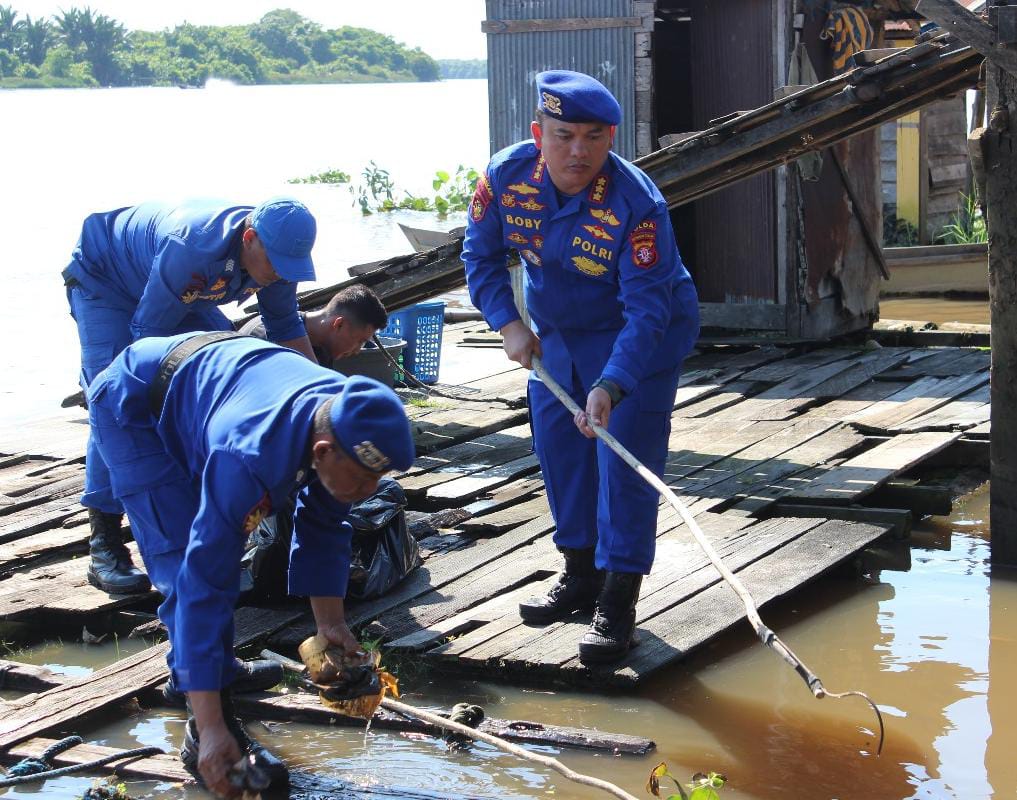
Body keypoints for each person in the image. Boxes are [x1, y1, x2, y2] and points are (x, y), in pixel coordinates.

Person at [86, 331, 415, 796]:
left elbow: (324, 527)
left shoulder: (341, 420)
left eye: (376, 480)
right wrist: (216, 728)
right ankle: (203, 727)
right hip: (137, 405)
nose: (368, 491)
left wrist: (331, 625)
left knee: (268, 526)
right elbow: (202, 584)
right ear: (322, 452)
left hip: (211, 386)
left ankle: (210, 674)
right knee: (183, 565)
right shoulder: (249, 458)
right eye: (364, 480)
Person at [462, 70, 700, 663]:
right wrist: (507, 322)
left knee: (622, 461)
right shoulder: (503, 179)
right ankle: (579, 576)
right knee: (559, 451)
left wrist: (614, 384)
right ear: (537, 133)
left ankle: (618, 603)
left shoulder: (637, 202)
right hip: (557, 335)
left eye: (594, 137)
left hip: (638, 337)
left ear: (611, 137)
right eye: (564, 135)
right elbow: (480, 256)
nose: (579, 151)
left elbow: (648, 310)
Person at [63, 197, 319, 596]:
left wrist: (322, 398)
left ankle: (207, 519)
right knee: (114, 400)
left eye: (290, 268)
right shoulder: (194, 247)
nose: (281, 275)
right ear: (249, 239)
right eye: (276, 266)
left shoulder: (276, 257)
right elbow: (143, 344)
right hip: (107, 281)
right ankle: (105, 546)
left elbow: (284, 324)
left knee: (226, 359)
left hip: (174, 292)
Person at [239, 283, 388, 365]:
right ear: (339, 324)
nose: (357, 350)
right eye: (359, 341)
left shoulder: (323, 348)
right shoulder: (268, 336)